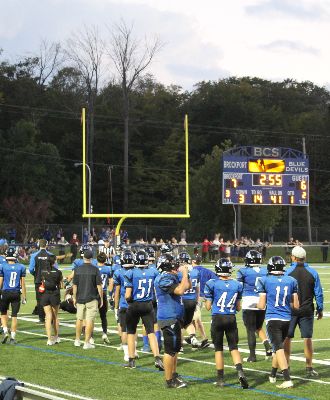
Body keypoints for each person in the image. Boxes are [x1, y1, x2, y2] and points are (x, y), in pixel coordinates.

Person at [204, 258, 249, 389]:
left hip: (218, 318)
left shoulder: (212, 283)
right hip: (231, 317)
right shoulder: (237, 285)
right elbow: (239, 307)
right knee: (233, 347)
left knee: (218, 349)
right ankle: (240, 372)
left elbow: (207, 307)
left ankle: (220, 379)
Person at [257, 256, 299, 389]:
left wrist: (255, 304)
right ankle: (273, 374)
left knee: (278, 348)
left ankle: (287, 379)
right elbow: (296, 305)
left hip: (273, 319)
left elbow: (261, 305)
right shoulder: (291, 280)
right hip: (287, 319)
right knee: (278, 347)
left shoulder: (264, 280)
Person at [284, 246, 323, 378]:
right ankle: (309, 368)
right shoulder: (313, 272)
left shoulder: (287, 272)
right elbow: (318, 293)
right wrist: (320, 308)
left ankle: (286, 367)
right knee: (307, 338)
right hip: (307, 309)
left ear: (293, 257)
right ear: (304, 257)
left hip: (290, 310)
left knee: (287, 338)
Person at [154, 254, 190, 389]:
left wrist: (186, 275)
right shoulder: (163, 278)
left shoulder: (171, 276)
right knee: (170, 350)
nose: (176, 266)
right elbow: (180, 290)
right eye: (173, 264)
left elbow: (187, 285)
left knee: (175, 349)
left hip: (174, 316)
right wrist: (184, 273)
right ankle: (169, 380)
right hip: (168, 318)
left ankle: (174, 374)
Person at [124, 250, 163, 370]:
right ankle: (157, 358)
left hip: (135, 305)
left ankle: (131, 361)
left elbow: (127, 295)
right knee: (151, 332)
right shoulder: (153, 271)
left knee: (131, 333)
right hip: (148, 305)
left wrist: (129, 301)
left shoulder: (131, 272)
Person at [236, 250, 272, 362]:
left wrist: (237, 301)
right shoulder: (265, 270)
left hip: (249, 301)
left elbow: (239, 288)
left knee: (250, 330)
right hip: (262, 301)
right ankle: (268, 347)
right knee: (258, 327)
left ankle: (252, 356)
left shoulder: (243, 271)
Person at [72, 249, 103, 350]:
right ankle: (86, 342)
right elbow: (99, 286)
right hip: (92, 298)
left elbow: (75, 285)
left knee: (79, 319)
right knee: (90, 320)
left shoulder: (77, 269)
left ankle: (77, 340)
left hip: (80, 297)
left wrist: (74, 297)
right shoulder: (95, 269)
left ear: (83, 257)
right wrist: (101, 298)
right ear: (92, 258)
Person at [0, 247, 27, 344]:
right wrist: (24, 296)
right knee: (14, 316)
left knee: (3, 314)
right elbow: (23, 284)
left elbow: (0, 282)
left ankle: (5, 331)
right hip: (16, 293)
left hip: (5, 293)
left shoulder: (3, 266)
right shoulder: (21, 267)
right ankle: (12, 337)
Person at [113, 250, 135, 361]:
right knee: (133, 329)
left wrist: (116, 307)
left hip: (124, 303)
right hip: (135, 303)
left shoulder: (118, 272)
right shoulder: (136, 271)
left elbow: (116, 291)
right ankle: (133, 351)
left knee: (125, 329)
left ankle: (127, 353)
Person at [178, 252, 200, 350]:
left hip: (183, 300)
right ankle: (193, 337)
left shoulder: (179, 271)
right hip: (192, 300)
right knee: (188, 322)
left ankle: (180, 346)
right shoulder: (195, 271)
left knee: (179, 324)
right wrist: (197, 300)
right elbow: (198, 288)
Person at [40, 254, 63, 345]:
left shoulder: (43, 271)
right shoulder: (58, 272)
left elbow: (42, 282)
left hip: (45, 295)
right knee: (55, 317)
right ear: (54, 261)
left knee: (48, 317)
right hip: (54, 295)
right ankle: (56, 337)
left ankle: (49, 339)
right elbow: (61, 286)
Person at [29, 239, 53, 323]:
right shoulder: (51, 255)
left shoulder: (34, 255)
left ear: (39, 245)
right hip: (49, 281)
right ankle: (50, 317)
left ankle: (41, 318)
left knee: (39, 299)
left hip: (38, 280)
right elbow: (54, 268)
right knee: (49, 298)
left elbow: (31, 269)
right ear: (46, 245)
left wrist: (36, 275)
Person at [96, 252, 112, 344]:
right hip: (104, 292)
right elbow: (111, 281)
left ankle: (88, 335)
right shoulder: (108, 269)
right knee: (103, 316)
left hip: (94, 293)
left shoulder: (94, 268)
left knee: (90, 316)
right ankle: (104, 333)